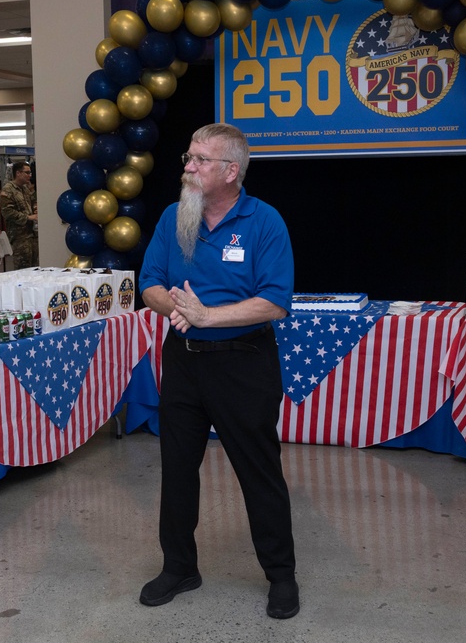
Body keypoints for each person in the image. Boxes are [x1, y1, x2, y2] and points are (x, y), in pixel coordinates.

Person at [138, 123, 299, 619]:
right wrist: (177, 311)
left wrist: (208, 316)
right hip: (184, 361)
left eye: (199, 160)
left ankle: (281, 575)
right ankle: (180, 566)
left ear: (231, 171)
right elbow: (150, 284)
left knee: (259, 471)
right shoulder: (173, 217)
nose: (187, 167)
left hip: (244, 363)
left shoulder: (265, 222)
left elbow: (274, 303)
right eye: (187, 157)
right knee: (178, 469)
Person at [0, 161, 38, 269]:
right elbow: (7, 212)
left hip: (31, 234)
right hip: (19, 236)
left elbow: (31, 202)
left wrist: (35, 209)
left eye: (30, 173)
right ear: (18, 173)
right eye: (27, 172)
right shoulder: (8, 190)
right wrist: (28, 217)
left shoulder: (25, 188)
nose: (29, 175)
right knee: (23, 269)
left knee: (34, 267)